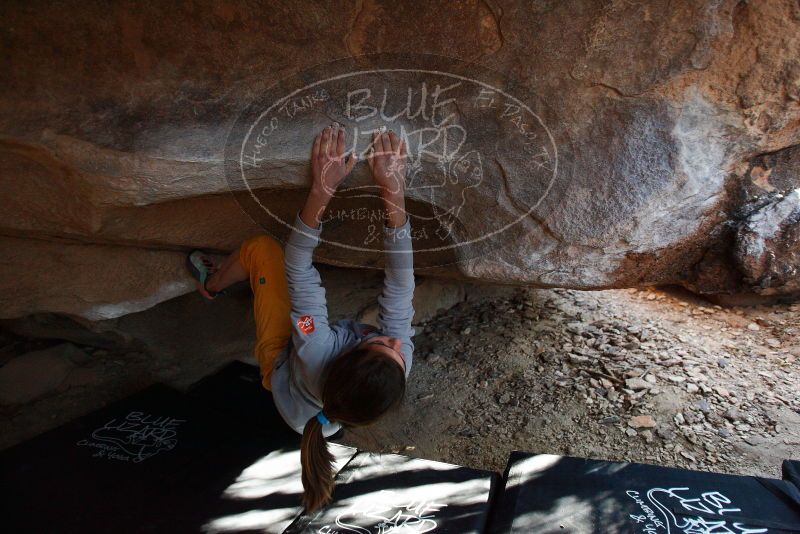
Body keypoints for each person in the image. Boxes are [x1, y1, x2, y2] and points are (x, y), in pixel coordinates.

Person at [186, 124, 415, 512]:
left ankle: (212, 283)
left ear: (346, 356)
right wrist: (393, 192)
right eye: (397, 349)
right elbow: (400, 284)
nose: (396, 340)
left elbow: (298, 266)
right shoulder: (395, 366)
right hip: (318, 405)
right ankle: (328, 419)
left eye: (381, 342)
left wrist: (321, 189)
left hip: (282, 366)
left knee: (263, 250)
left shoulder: (313, 348)